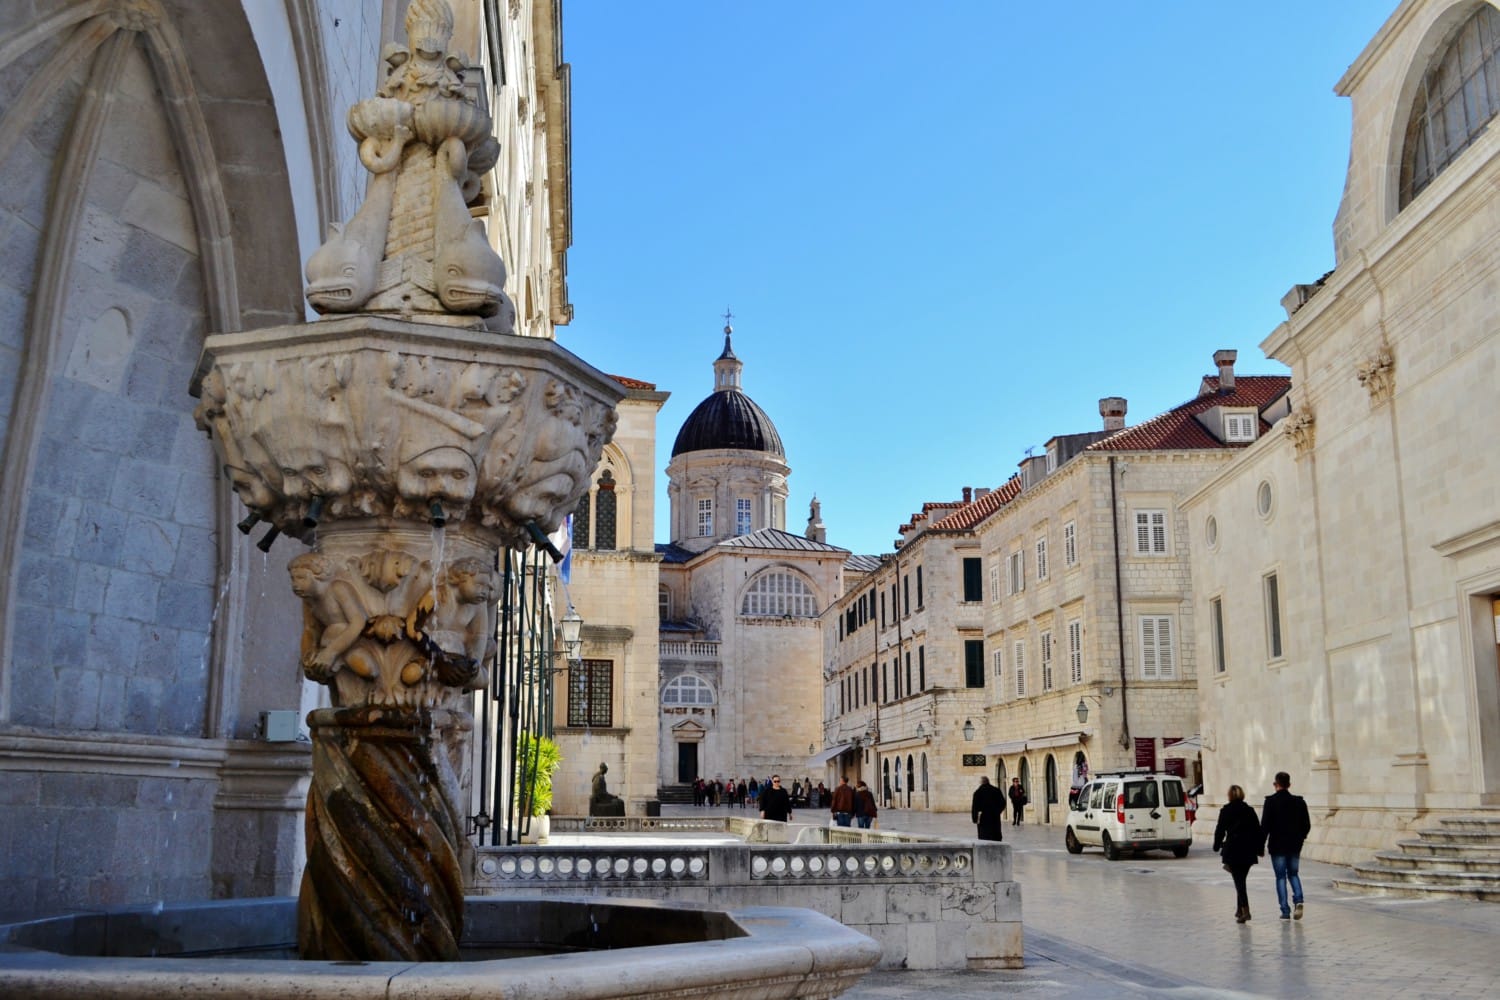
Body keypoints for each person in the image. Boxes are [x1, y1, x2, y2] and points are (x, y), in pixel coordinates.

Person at [1261, 770, 1312, 920]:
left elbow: (1265, 826)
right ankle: (1299, 899)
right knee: (1294, 874)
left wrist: (1260, 845)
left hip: (1277, 846)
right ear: (1289, 785)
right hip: (1294, 845)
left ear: (1275, 784)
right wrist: (1301, 838)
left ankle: (1285, 910)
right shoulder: (1299, 802)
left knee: (1280, 877)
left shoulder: (1270, 802)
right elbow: (1306, 825)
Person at [1213, 784, 1262, 923]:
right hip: (1248, 850)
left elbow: (1220, 830)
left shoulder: (1226, 810)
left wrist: (1216, 845)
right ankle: (1239, 910)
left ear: (1230, 796)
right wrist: (1259, 849)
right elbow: (1257, 831)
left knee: (1239, 882)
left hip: (1233, 849)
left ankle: (1246, 911)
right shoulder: (1249, 811)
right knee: (1240, 880)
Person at [972, 776, 1005, 841]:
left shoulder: (977, 792)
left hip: (983, 819)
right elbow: (1003, 803)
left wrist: (975, 819)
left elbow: (975, 807)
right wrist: (998, 811)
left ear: (981, 783)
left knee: (984, 837)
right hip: (994, 818)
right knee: (995, 836)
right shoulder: (996, 790)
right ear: (988, 782)